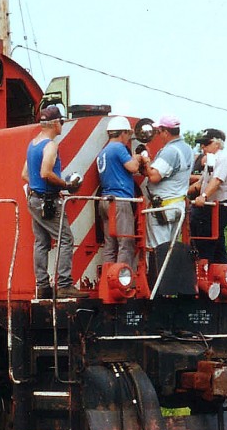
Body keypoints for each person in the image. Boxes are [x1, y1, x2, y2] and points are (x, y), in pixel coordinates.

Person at [19, 105, 83, 299]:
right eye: (61, 122)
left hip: (34, 200)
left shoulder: (33, 144)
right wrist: (64, 185)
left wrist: (41, 188)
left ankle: (42, 285)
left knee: (41, 242)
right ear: (55, 123)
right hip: (47, 202)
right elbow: (45, 173)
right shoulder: (50, 145)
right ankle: (64, 284)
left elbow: (25, 175)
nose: (62, 125)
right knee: (66, 239)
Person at [96, 116, 147, 270]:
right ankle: (122, 283)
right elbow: (132, 167)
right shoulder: (118, 148)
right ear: (123, 133)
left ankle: (108, 279)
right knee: (126, 242)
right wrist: (138, 157)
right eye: (128, 134)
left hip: (105, 201)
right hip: (120, 200)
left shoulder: (103, 152)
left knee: (110, 245)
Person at [144, 114, 194, 249]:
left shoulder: (170, 151)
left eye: (159, 132)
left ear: (166, 132)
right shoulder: (187, 149)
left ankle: (158, 271)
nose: (158, 135)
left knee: (158, 248)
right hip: (178, 205)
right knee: (171, 248)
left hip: (163, 206)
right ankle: (169, 270)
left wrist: (146, 162)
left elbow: (154, 176)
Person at [190, 128, 227, 263]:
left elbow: (216, 181)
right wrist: (181, 194)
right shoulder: (211, 161)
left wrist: (203, 196)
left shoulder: (224, 159)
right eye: (202, 144)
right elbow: (200, 183)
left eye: (206, 143)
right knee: (217, 243)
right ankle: (220, 270)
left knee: (206, 242)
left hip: (217, 207)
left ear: (217, 143)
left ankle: (205, 269)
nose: (203, 147)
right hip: (208, 207)